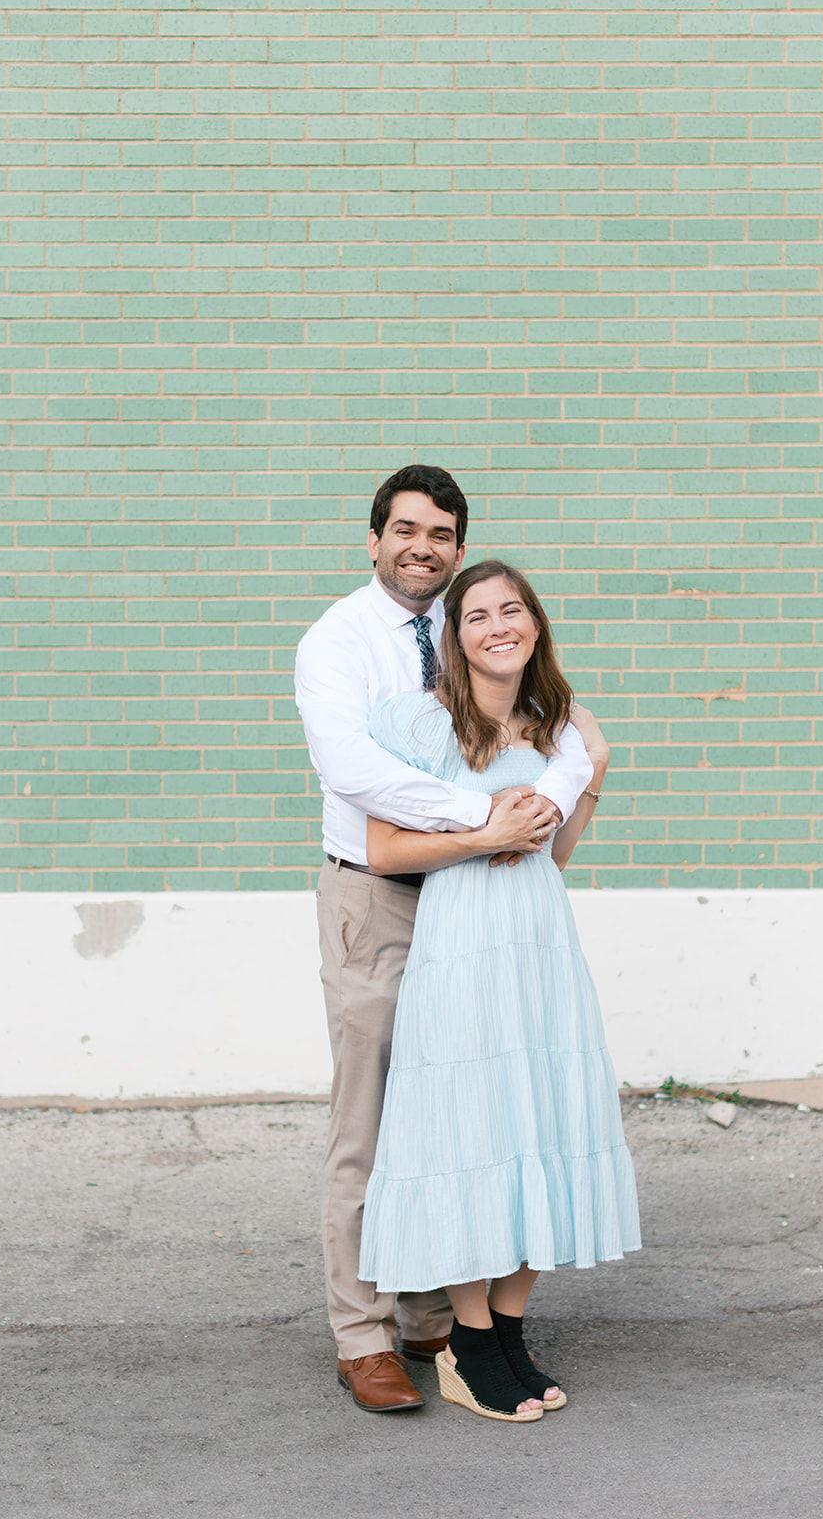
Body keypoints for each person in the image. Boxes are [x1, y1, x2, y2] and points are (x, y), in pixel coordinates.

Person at [294, 467, 597, 1413]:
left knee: (464, 1109)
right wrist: (484, 819)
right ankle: (364, 1335)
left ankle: (442, 1320)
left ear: (459, 548)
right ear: (374, 539)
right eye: (405, 529)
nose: (422, 547)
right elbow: (352, 769)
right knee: (374, 1118)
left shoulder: (473, 631)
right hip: (382, 893)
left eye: (440, 534)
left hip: (483, 903)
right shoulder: (341, 640)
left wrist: (546, 801)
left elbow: (572, 742)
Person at [357, 558, 642, 1423]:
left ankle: (509, 1331)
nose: (496, 627)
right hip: (462, 942)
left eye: (511, 610)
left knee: (542, 1122)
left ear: (535, 624)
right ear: (458, 636)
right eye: (476, 615)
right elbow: (383, 849)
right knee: (469, 1128)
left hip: (539, 943)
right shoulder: (423, 724)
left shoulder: (554, 730)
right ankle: (469, 1342)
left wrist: (593, 769)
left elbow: (554, 854)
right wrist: (485, 834)